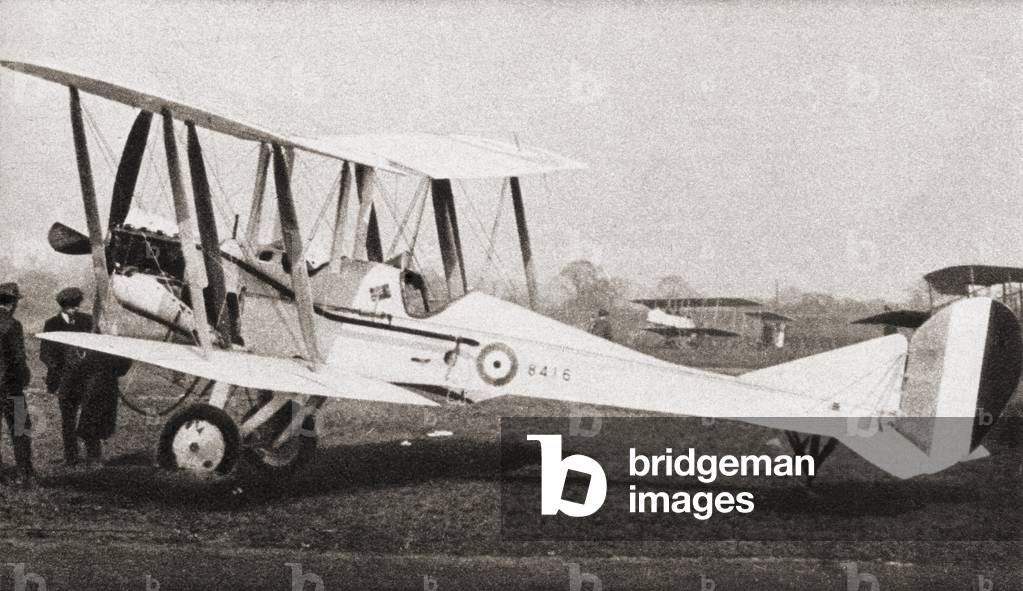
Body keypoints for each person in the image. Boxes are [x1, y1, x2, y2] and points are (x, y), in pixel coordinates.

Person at [40, 287, 93, 466]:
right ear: (63, 306)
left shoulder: (88, 321)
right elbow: (45, 353)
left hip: (86, 379)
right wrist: (59, 369)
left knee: (89, 417)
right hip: (65, 381)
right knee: (68, 421)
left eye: (77, 305)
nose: (76, 309)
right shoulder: (51, 324)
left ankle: (93, 456)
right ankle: (71, 458)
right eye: (72, 306)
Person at [0, 282, 35, 487]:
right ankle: (25, 472)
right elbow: (18, 359)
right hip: (10, 385)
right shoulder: (12, 325)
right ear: (13, 303)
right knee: (21, 428)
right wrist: (24, 379)